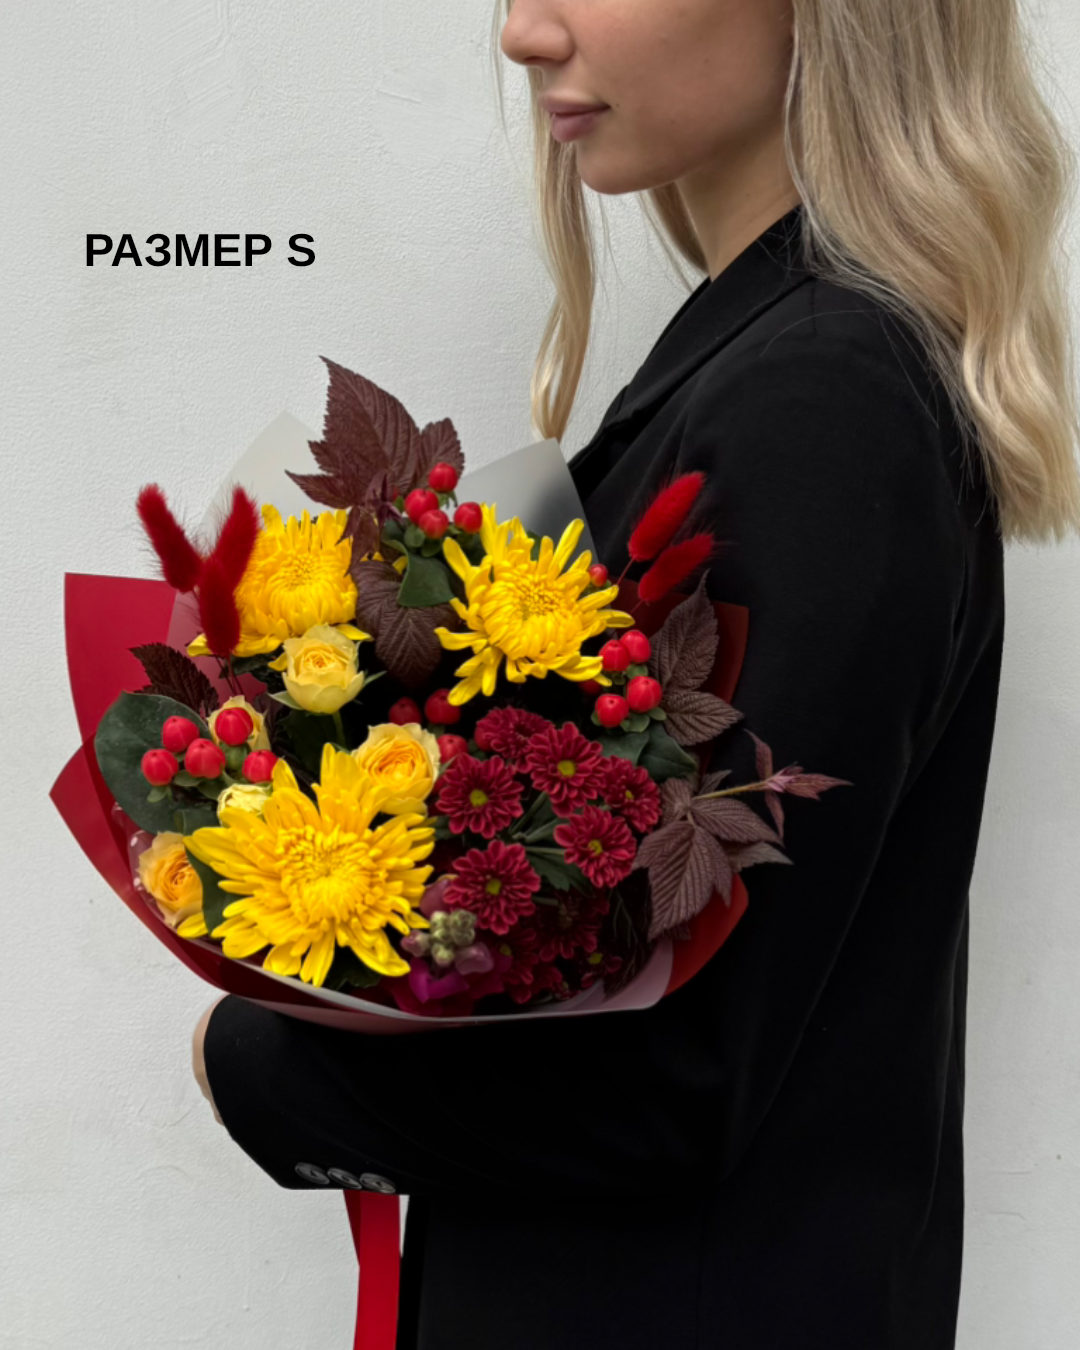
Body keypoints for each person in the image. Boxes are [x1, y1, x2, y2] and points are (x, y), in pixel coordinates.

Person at [193, 2, 1080, 1347]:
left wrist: (256, 1066)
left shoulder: (819, 396)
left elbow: (679, 1075)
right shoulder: (769, 357)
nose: (522, 33)